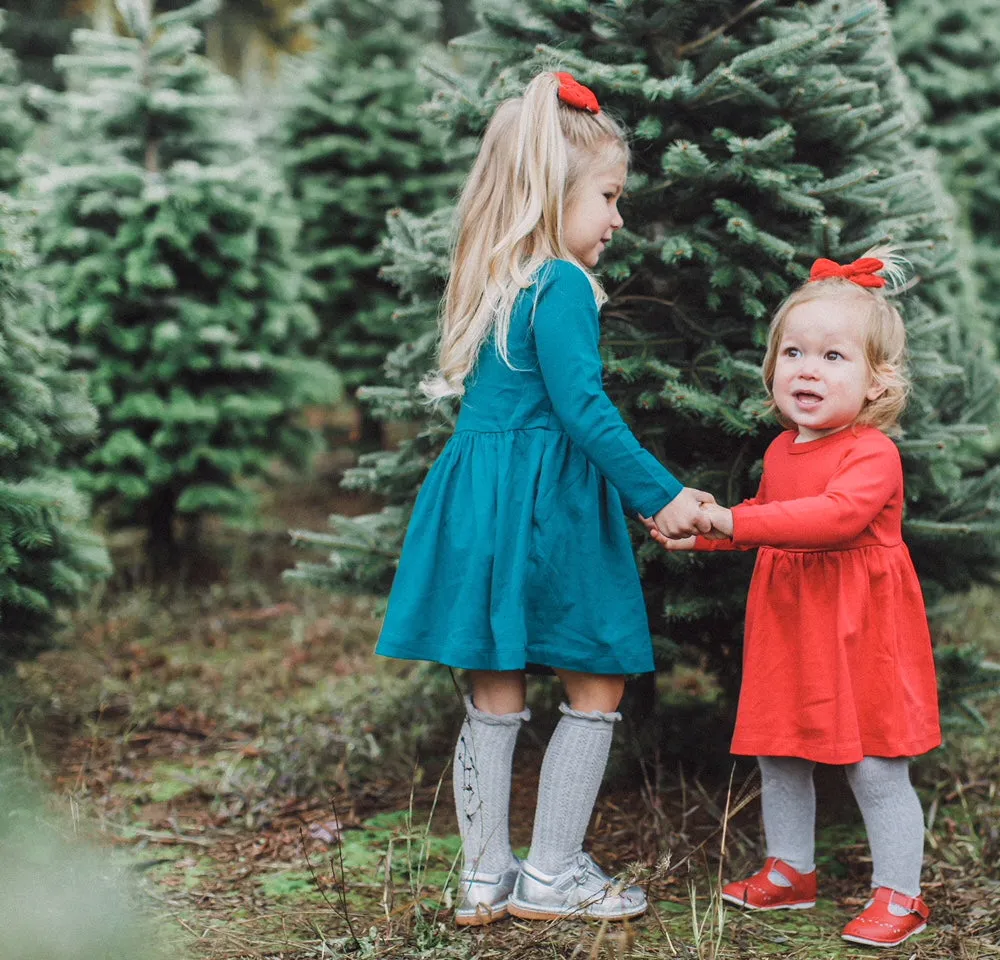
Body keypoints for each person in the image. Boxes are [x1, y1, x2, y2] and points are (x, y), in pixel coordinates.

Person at [376, 70, 714, 925]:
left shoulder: (495, 278)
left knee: (493, 692)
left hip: (475, 503)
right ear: (551, 191)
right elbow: (583, 408)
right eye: (608, 196)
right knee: (597, 681)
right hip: (548, 508)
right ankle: (553, 875)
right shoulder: (561, 283)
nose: (617, 218)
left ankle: (483, 877)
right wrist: (659, 494)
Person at [649, 251, 941, 949]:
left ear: (878, 383)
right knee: (780, 748)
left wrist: (732, 521)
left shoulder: (872, 453)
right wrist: (710, 536)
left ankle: (901, 895)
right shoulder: (784, 449)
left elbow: (832, 520)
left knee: (873, 762)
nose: (808, 369)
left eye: (834, 356)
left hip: (861, 626)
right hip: (793, 622)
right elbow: (770, 521)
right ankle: (790, 871)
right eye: (794, 352)